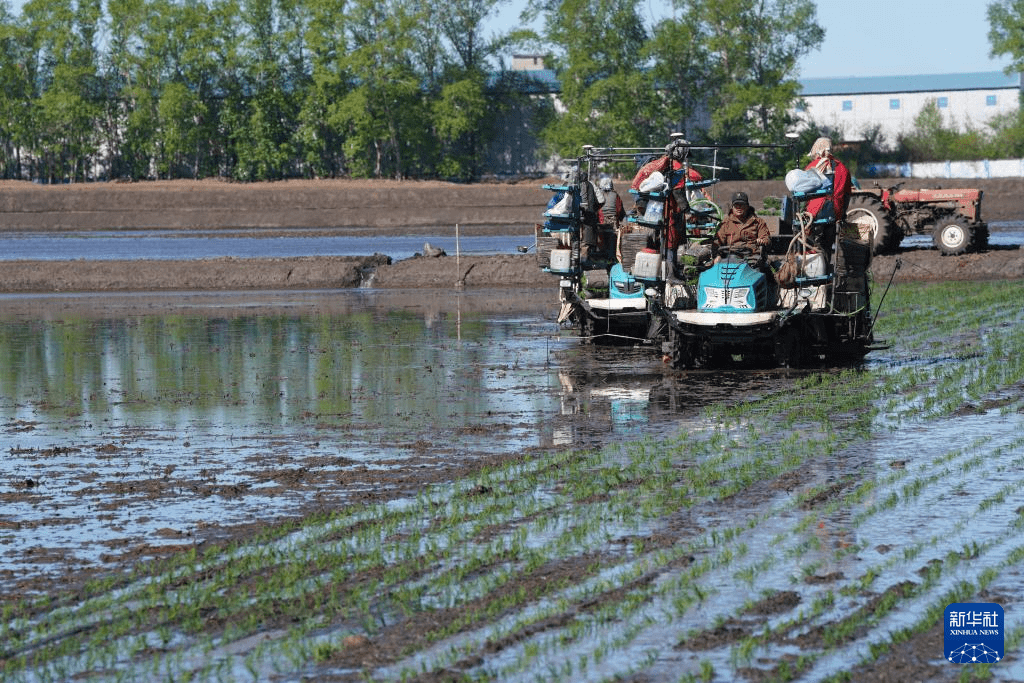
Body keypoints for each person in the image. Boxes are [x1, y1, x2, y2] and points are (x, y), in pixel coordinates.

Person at [803, 136, 852, 224]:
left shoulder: (812, 166)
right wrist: (842, 214)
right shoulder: (843, 168)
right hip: (836, 212)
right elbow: (847, 194)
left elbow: (804, 190)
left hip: (815, 211)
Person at [713, 192, 770, 258]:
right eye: (736, 205)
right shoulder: (726, 223)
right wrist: (718, 256)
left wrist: (762, 241)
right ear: (732, 207)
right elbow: (718, 242)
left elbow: (766, 239)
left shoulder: (758, 222)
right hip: (731, 256)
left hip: (752, 256)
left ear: (747, 206)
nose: (738, 207)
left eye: (742, 205)